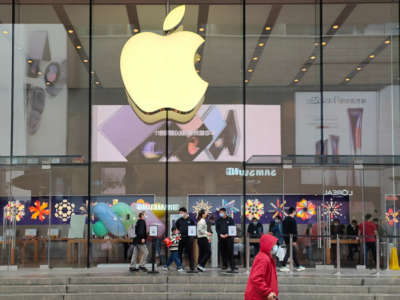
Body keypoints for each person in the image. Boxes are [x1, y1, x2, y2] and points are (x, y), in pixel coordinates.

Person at [244, 234, 279, 300]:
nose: (275, 246)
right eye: (273, 244)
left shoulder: (267, 257)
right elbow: (257, 278)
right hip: (258, 297)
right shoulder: (263, 258)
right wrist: (268, 292)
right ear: (268, 245)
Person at [280, 207, 305, 272]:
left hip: (286, 239)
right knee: (289, 253)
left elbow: (284, 231)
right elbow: (294, 231)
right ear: (293, 211)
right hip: (291, 239)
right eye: (295, 211)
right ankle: (283, 265)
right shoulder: (292, 220)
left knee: (293, 253)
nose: (296, 212)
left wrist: (286, 239)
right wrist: (294, 240)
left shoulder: (285, 220)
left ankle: (297, 265)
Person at [175, 207, 197, 273]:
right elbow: (176, 227)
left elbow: (194, 228)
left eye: (181, 213)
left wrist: (193, 237)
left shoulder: (190, 220)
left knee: (190, 253)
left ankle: (192, 267)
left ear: (185, 212)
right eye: (179, 213)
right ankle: (179, 266)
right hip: (181, 238)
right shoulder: (179, 220)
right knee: (179, 253)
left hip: (189, 238)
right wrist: (177, 231)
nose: (180, 214)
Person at [216, 207, 237, 273]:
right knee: (223, 252)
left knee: (230, 252)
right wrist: (220, 234)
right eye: (220, 213)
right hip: (221, 238)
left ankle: (232, 266)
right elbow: (217, 229)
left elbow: (232, 228)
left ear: (225, 212)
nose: (220, 214)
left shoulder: (230, 219)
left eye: (221, 212)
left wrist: (227, 234)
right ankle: (225, 265)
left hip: (229, 238)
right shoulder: (218, 220)